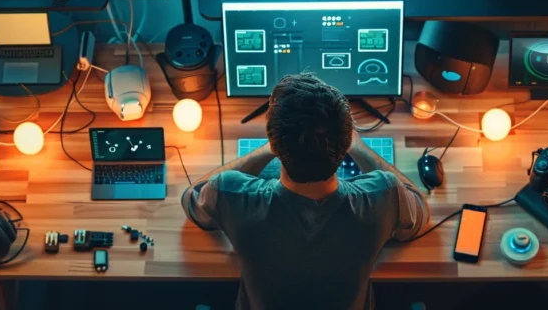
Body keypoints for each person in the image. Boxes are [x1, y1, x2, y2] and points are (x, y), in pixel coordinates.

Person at [181, 73, 431, 310]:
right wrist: (358, 146)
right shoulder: (384, 196)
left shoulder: (230, 194)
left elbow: (190, 200)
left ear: (275, 143)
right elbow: (419, 208)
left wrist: (272, 146)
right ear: (344, 145)